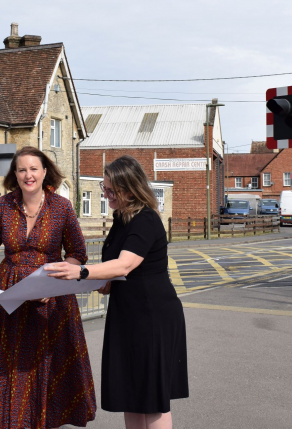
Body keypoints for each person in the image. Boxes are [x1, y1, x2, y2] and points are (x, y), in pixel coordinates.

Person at [0, 146, 96, 429]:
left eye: (34, 169)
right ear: (15, 174)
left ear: (45, 172)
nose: (28, 175)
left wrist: (53, 281)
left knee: (47, 363)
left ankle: (44, 420)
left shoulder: (61, 207)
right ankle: (13, 421)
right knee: (13, 364)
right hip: (11, 297)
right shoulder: (3, 206)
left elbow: (77, 252)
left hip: (52, 297)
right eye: (22, 169)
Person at [45, 155, 188, 429]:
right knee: (130, 394)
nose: (107, 195)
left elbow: (125, 263)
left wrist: (83, 272)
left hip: (152, 317)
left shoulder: (146, 219)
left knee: (153, 398)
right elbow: (118, 271)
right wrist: (102, 282)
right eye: (105, 189)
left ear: (130, 188)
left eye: (112, 190)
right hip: (127, 315)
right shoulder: (122, 219)